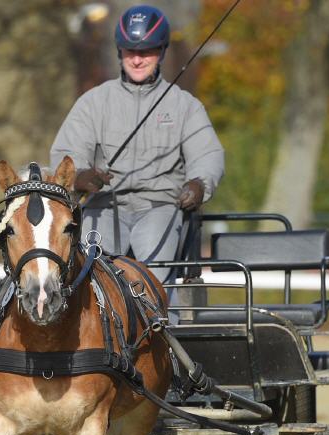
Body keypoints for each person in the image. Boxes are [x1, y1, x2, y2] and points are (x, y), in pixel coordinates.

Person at [50, 4, 224, 304]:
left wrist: (199, 184)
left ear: (162, 52)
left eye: (147, 51)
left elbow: (208, 155)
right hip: (104, 204)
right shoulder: (93, 103)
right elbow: (66, 154)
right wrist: (80, 176)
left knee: (155, 274)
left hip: (159, 205)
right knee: (85, 265)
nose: (138, 59)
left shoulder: (184, 105)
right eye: (130, 51)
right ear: (120, 52)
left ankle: (162, 333)